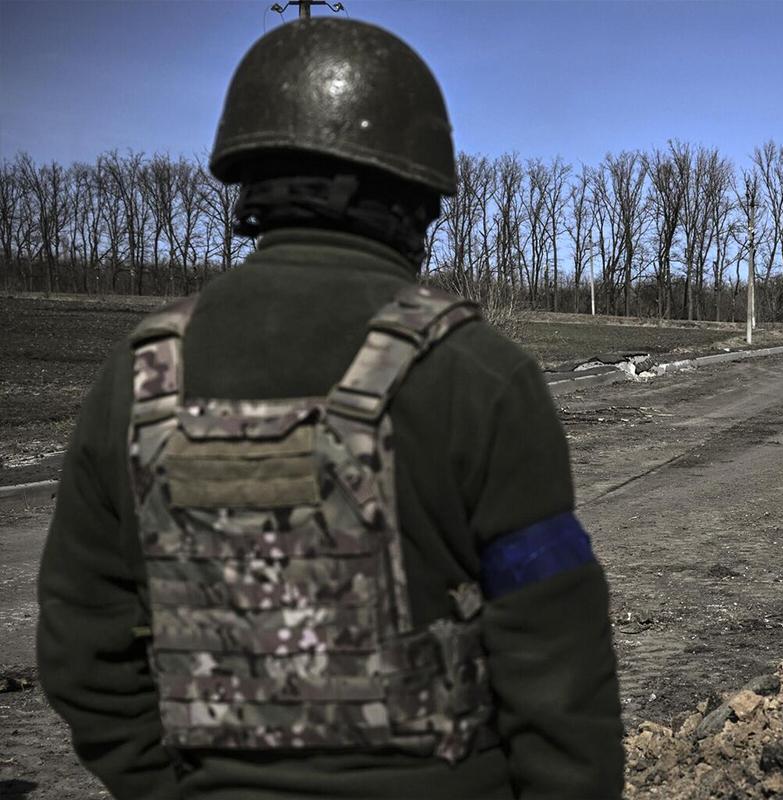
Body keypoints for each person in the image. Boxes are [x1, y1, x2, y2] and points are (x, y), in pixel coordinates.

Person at [37, 18, 623, 800]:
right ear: (417, 195)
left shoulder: (139, 379)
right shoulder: (478, 375)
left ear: (250, 186)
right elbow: (557, 659)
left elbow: (82, 646)